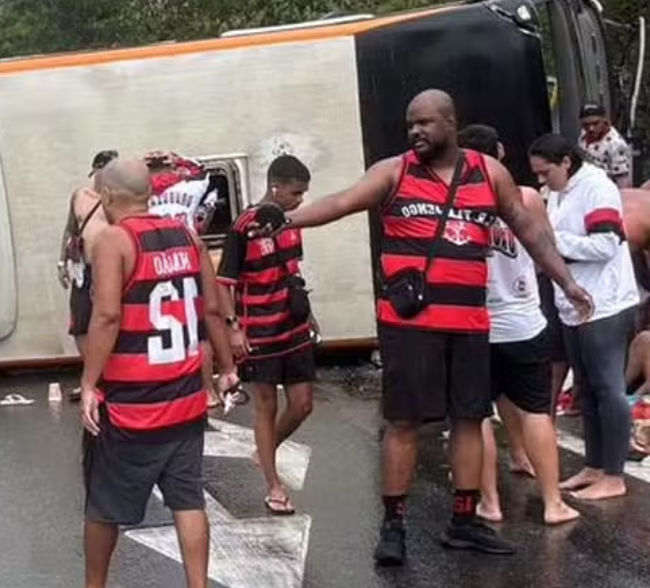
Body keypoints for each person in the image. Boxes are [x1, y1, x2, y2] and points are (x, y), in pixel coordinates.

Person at [249, 90, 592, 565]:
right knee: (404, 422)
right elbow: (344, 201)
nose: (416, 131)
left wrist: (568, 283)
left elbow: (529, 232)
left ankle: (464, 521)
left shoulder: (488, 173)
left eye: (426, 123)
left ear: (451, 123)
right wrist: (286, 219)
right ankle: (394, 527)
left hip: (470, 322)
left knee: (470, 418)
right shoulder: (395, 171)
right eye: (411, 123)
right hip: (410, 325)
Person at [78, 157, 239, 588]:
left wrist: (90, 383)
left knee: (103, 505)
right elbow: (210, 309)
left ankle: (94, 585)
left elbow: (107, 316)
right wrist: (227, 369)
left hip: (133, 405)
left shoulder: (115, 240)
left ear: (108, 196)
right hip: (184, 399)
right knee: (188, 500)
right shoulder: (188, 236)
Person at [457, 124, 579, 525]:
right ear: (502, 151)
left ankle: (489, 502)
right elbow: (546, 249)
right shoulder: (526, 198)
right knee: (535, 412)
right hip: (524, 320)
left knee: (478, 418)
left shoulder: (455, 201)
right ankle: (552, 503)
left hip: (474, 324)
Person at [532, 132, 640, 501]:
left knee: (609, 387)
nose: (542, 182)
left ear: (566, 162)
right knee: (586, 388)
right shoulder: (560, 191)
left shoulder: (597, 187)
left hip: (605, 302)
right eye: (538, 176)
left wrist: (553, 242)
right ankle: (594, 466)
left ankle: (615, 474)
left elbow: (607, 243)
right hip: (574, 304)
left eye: (546, 173)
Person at [217, 154, 319, 516]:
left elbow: (293, 270)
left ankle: (266, 448)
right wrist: (233, 328)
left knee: (303, 404)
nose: (301, 199)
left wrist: (309, 314)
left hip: (293, 326)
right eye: (296, 192)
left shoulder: (293, 222)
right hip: (258, 329)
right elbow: (224, 283)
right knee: (266, 406)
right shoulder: (243, 226)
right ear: (276, 187)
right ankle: (274, 486)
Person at [146, 150, 223, 409]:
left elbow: (119, 182)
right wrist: (175, 158)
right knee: (198, 329)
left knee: (161, 328)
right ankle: (207, 392)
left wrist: (146, 163)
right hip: (186, 257)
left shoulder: (140, 194)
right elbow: (202, 170)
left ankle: (174, 391)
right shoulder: (192, 186)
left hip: (154, 261)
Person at [58, 150, 118, 402]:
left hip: (110, 268)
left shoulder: (117, 197)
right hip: (83, 268)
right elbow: (70, 229)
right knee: (80, 323)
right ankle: (94, 374)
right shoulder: (80, 196)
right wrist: (62, 261)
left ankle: (113, 377)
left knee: (110, 319)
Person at [578, 103, 634, 188]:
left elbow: (623, 181)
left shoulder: (616, 145)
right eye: (586, 124)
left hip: (607, 191)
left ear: (605, 120)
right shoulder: (584, 134)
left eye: (595, 123)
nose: (591, 128)